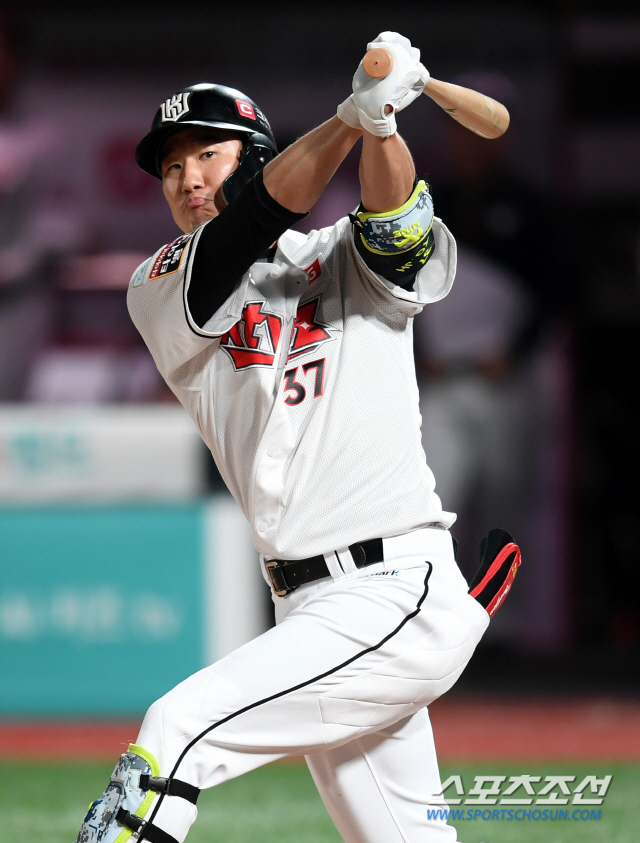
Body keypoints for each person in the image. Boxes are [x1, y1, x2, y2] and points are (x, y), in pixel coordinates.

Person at [74, 33, 519, 843]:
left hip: (392, 588)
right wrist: (350, 115)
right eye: (171, 166)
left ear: (254, 156)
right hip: (306, 610)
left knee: (177, 730)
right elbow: (256, 220)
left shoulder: (341, 255)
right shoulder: (160, 284)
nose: (186, 178)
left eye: (206, 154)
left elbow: (395, 226)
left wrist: (379, 123)